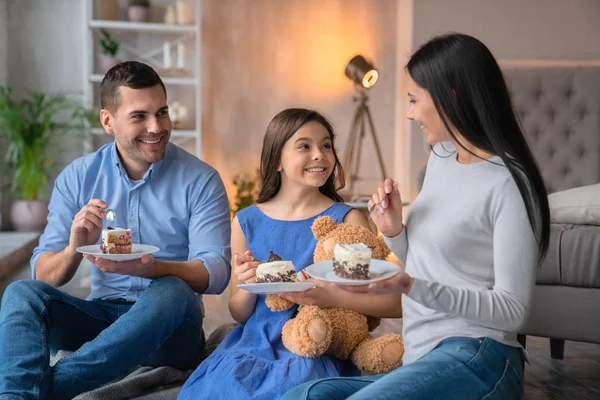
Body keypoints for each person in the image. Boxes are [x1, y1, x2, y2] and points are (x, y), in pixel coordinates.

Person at [283, 33, 551, 400]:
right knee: (304, 396)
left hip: (480, 353)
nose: (409, 113)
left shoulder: (507, 183)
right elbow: (435, 265)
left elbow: (513, 310)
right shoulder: (441, 160)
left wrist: (412, 286)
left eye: (413, 100)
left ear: (449, 98)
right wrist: (393, 232)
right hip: (423, 355)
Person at [0, 61, 231, 400]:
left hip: (170, 330)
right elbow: (43, 272)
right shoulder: (78, 177)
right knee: (21, 293)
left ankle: (48, 389)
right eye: (139, 116)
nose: (157, 127)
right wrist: (74, 248)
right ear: (107, 121)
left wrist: (152, 268)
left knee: (174, 289)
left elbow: (217, 271)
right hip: (101, 317)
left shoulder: (201, 179)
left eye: (162, 112)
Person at [177, 108, 404, 400]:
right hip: (254, 340)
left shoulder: (347, 222)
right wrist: (249, 286)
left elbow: (381, 299)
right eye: (304, 146)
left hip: (317, 344)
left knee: (295, 387)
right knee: (220, 386)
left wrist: (331, 296)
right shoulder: (246, 221)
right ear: (276, 161)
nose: (320, 155)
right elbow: (239, 312)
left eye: (326, 145)